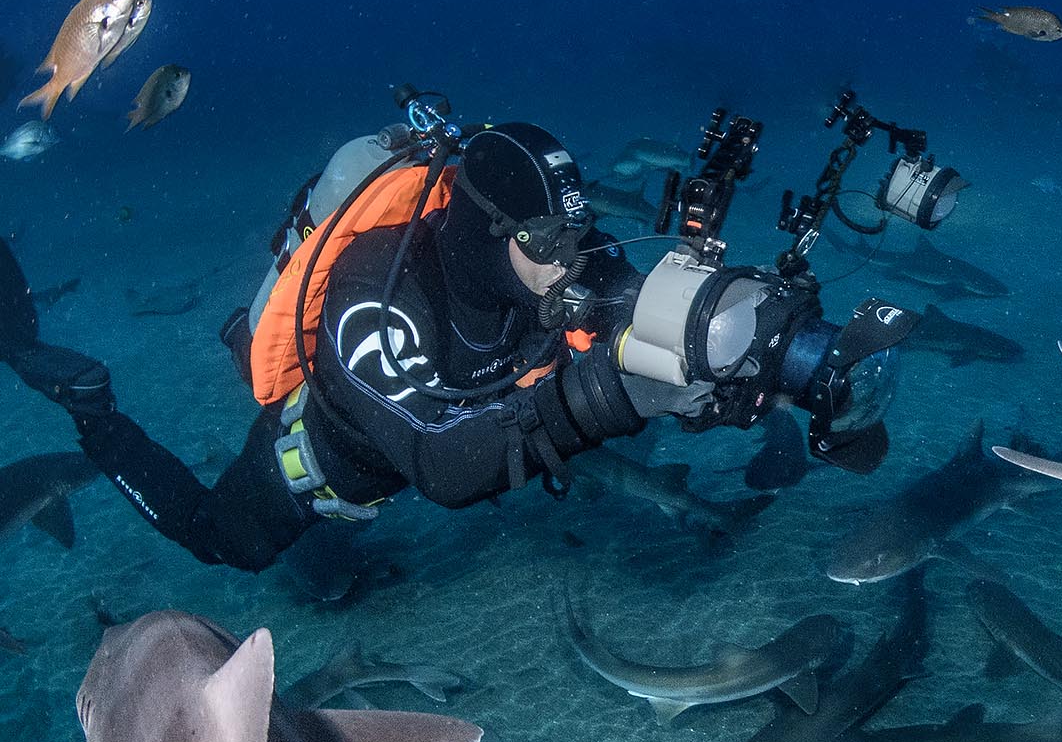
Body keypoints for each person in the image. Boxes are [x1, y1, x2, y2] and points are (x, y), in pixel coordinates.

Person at [0, 121, 704, 572]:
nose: (568, 260)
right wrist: (620, 392)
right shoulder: (377, 288)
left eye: (575, 235)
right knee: (221, 541)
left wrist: (729, 335)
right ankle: (95, 411)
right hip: (328, 460)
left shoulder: (562, 257)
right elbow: (441, 464)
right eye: (544, 239)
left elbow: (640, 307)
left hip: (462, 428)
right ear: (489, 229)